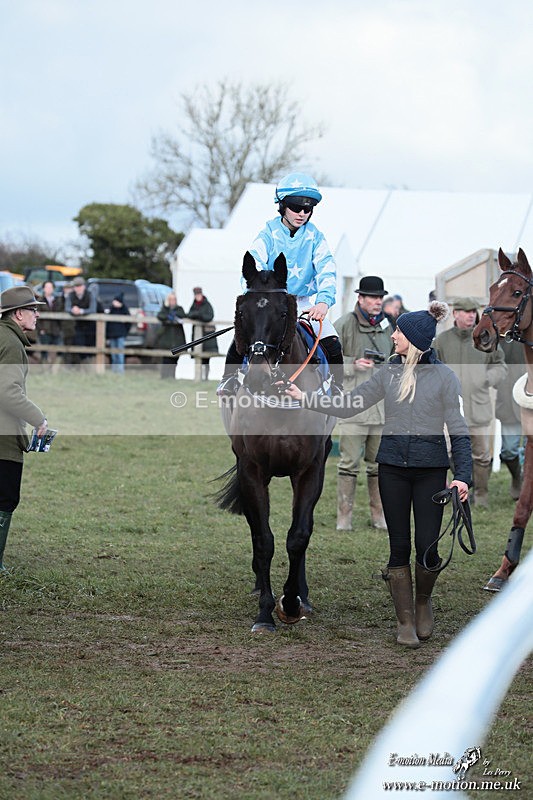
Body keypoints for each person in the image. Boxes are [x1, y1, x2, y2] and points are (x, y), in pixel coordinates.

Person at [285, 302, 472, 649]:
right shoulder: (388, 373)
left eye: (399, 331)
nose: (394, 335)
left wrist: (462, 476)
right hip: (392, 471)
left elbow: (459, 430)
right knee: (398, 545)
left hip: (432, 472)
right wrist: (305, 396)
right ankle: (404, 621)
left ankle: (422, 603)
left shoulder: (445, 377)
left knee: (428, 547)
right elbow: (350, 403)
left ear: (414, 339)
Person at [217, 172, 343, 395]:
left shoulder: (316, 237)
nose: (302, 213)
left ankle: (337, 388)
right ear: (282, 206)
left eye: (308, 208)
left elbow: (327, 270)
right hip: (270, 302)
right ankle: (228, 380)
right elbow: (252, 265)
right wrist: (257, 297)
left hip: (303, 304)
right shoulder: (268, 234)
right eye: (296, 207)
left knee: (332, 342)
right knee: (243, 337)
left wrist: (323, 302)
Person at [333, 276, 394, 530]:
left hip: (382, 410)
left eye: (380, 297)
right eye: (373, 297)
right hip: (353, 408)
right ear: (360, 298)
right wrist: (352, 365)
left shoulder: (388, 326)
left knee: (378, 466)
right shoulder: (344, 324)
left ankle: (378, 515)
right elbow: (325, 360)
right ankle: (344, 518)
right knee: (348, 464)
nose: (378, 302)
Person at [435, 297, 507, 508]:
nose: (470, 316)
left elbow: (501, 366)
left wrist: (487, 379)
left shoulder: (485, 338)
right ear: (455, 313)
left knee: (482, 456)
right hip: (448, 411)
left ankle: (481, 496)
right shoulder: (441, 341)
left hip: (478, 407)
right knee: (444, 453)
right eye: (465, 311)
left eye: (472, 312)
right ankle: (451, 490)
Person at [0, 286, 50, 571]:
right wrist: (38, 418)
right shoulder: (10, 343)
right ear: (18, 314)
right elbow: (7, 392)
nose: (37, 314)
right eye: (33, 309)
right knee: (5, 498)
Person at [495, 338, 525, 499]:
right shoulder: (500, 337)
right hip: (509, 401)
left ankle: (527, 488)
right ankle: (517, 477)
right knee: (508, 450)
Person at [187, 286, 218, 380]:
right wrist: (198, 315)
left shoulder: (207, 305)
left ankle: (206, 377)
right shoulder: (194, 305)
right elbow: (189, 314)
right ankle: (198, 376)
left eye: (198, 294)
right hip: (197, 336)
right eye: (196, 295)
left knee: (206, 358)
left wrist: (199, 315)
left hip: (207, 336)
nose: (197, 296)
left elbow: (209, 316)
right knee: (198, 356)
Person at [64, 276, 97, 363]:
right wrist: (73, 310)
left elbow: (93, 309)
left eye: (80, 286)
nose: (78, 288)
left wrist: (81, 311)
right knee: (78, 344)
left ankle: (89, 366)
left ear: (84, 286)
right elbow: (67, 308)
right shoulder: (71, 295)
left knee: (90, 347)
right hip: (77, 325)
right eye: (76, 286)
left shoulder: (90, 294)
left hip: (90, 326)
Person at [155, 292, 186, 379]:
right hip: (166, 340)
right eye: (171, 299)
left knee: (174, 359)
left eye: (174, 299)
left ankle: (172, 377)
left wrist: (175, 316)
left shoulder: (179, 309)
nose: (172, 301)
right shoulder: (165, 309)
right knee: (166, 359)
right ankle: (164, 377)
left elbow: (183, 315)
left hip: (177, 340)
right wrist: (168, 317)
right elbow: (160, 316)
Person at [37, 280, 63, 365]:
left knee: (59, 350)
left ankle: (55, 369)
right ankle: (44, 369)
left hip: (56, 329)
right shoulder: (39, 300)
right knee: (44, 351)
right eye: (47, 287)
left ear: (53, 289)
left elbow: (61, 312)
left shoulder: (58, 300)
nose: (49, 289)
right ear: (43, 289)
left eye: (51, 287)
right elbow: (36, 316)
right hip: (45, 329)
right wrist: (41, 329)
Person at [106, 293, 131, 374]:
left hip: (120, 335)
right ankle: (114, 370)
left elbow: (128, 323)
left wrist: (125, 332)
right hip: (112, 335)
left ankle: (120, 371)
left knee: (120, 353)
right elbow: (108, 323)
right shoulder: (111, 310)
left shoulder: (124, 310)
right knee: (113, 354)